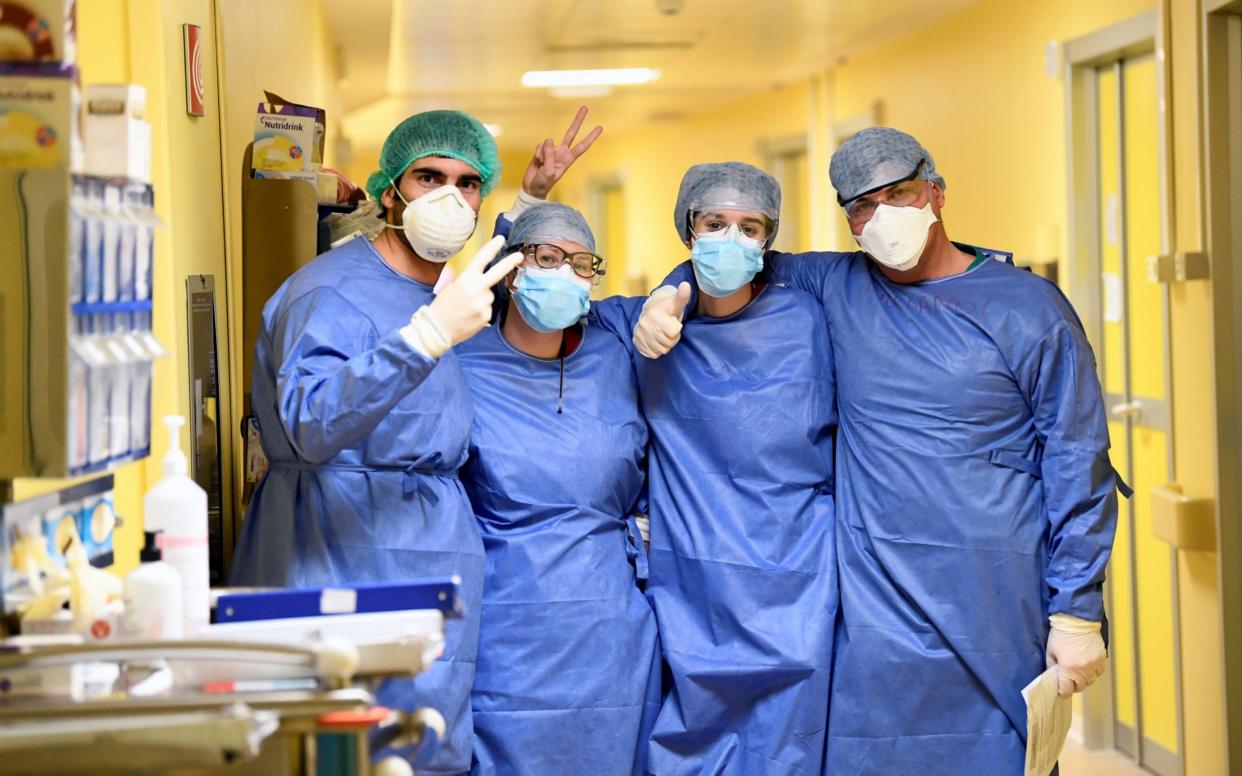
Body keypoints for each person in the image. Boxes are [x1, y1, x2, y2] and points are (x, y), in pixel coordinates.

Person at [635, 128, 1125, 774]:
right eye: (862, 205)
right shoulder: (838, 286)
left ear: (937, 193)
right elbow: (733, 252)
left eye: (899, 192)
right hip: (874, 627)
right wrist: (669, 296)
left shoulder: (1029, 309)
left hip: (995, 611)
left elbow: (1078, 464)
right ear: (849, 221)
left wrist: (1078, 611)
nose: (882, 214)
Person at [229, 107, 600, 774]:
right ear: (388, 190)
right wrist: (426, 338)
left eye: (467, 183)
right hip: (339, 559)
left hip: (425, 565)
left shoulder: (434, 288)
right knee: (344, 753)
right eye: (429, 178)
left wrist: (531, 200)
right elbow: (309, 425)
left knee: (423, 751)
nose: (450, 199)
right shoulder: (329, 293)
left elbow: (484, 270)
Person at [593, 162, 837, 776]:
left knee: (787, 746)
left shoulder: (809, 321)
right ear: (687, 230)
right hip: (693, 581)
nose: (730, 238)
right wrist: (661, 295)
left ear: (768, 239)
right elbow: (528, 306)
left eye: (748, 226)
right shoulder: (641, 327)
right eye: (713, 223)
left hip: (795, 576)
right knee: (688, 743)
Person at [455, 202, 661, 776]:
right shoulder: (461, 364)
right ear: (516, 270)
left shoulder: (617, 354)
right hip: (508, 624)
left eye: (580, 264)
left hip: (611, 624)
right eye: (549, 259)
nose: (565, 274)